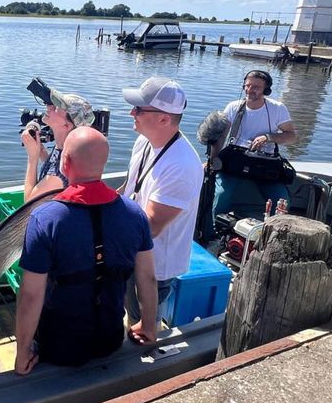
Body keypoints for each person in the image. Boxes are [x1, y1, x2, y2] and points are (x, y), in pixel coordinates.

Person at [15, 127, 158, 375]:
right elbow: (148, 278)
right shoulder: (135, 214)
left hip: (58, 346)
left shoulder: (44, 219)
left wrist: (22, 351)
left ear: (65, 163)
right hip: (110, 340)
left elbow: (30, 295)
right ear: (103, 164)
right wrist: (148, 325)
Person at [119, 76, 203, 326]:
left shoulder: (182, 165)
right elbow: (129, 188)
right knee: (128, 311)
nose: (131, 112)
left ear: (164, 119)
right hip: (131, 249)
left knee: (142, 324)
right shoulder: (144, 140)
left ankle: (148, 340)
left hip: (155, 265)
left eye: (139, 109)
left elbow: (152, 227)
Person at [210, 69, 298, 221]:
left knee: (281, 200)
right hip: (236, 160)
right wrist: (213, 159)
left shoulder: (277, 108)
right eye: (247, 86)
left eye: (256, 87)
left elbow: (291, 136)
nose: (250, 90)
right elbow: (221, 136)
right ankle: (213, 230)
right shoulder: (234, 107)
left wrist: (268, 137)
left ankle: (272, 230)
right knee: (220, 196)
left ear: (266, 89)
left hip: (264, 163)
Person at [21, 88, 96, 200]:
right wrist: (41, 151)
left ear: (67, 125)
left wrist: (32, 158)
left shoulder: (59, 174)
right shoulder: (65, 148)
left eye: (57, 107)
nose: (49, 107)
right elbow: (52, 164)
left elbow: (29, 202)